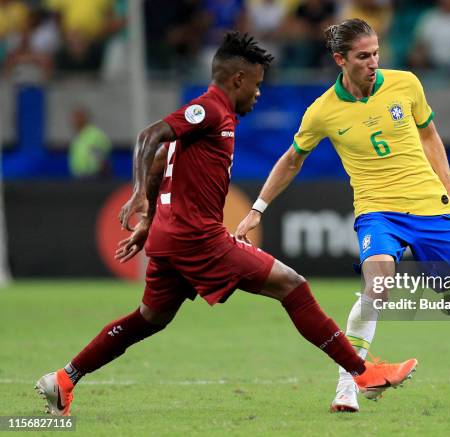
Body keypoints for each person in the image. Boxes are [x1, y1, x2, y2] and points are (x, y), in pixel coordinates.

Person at [35, 31, 417, 416]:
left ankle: (64, 380)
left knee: (149, 319)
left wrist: (150, 218)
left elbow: (160, 158)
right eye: (256, 84)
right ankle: (361, 372)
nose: (258, 93)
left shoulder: (214, 116)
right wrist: (138, 196)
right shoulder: (210, 109)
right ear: (237, 79)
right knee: (292, 285)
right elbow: (150, 137)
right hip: (197, 237)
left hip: (170, 238)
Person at [235, 19, 450, 413]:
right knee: (378, 283)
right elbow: (292, 160)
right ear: (340, 60)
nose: (373, 62)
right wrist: (256, 210)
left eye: (376, 53)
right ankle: (346, 384)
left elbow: (430, 135)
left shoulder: (406, 84)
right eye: (363, 56)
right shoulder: (323, 111)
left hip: (430, 207)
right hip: (377, 212)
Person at [67, 106, 112, 178]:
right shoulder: (77, 137)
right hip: (78, 177)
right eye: (74, 118)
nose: (75, 121)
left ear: (85, 118)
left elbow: (103, 156)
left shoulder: (95, 135)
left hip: (94, 177)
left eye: (78, 117)